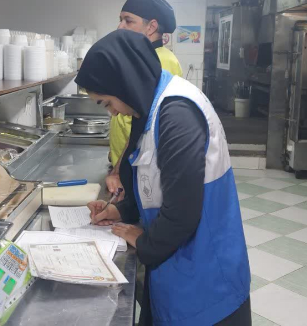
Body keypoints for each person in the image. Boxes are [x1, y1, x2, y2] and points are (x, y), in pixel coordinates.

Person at [76, 30, 251, 326]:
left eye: (107, 103)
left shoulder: (176, 114)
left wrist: (144, 241)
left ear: (124, 83)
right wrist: (121, 210)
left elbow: (183, 211)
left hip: (206, 279)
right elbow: (154, 184)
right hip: (177, 265)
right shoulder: (150, 107)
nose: (114, 113)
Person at [108, 0, 183, 198]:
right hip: (130, 162)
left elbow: (144, 125)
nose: (120, 26)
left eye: (128, 20)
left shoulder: (159, 61)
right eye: (120, 20)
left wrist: (118, 171)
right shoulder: (145, 57)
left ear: (151, 27)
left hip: (139, 164)